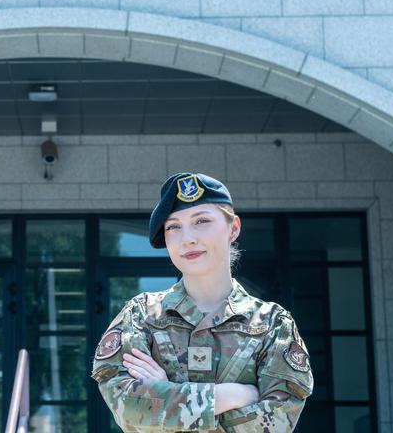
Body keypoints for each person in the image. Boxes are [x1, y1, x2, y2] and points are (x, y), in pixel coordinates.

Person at [91, 172, 313, 432]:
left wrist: (167, 396)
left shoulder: (273, 326)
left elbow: (275, 424)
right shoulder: (140, 317)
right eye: (173, 226)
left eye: (202, 220)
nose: (187, 238)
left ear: (234, 228)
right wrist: (228, 396)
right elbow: (129, 410)